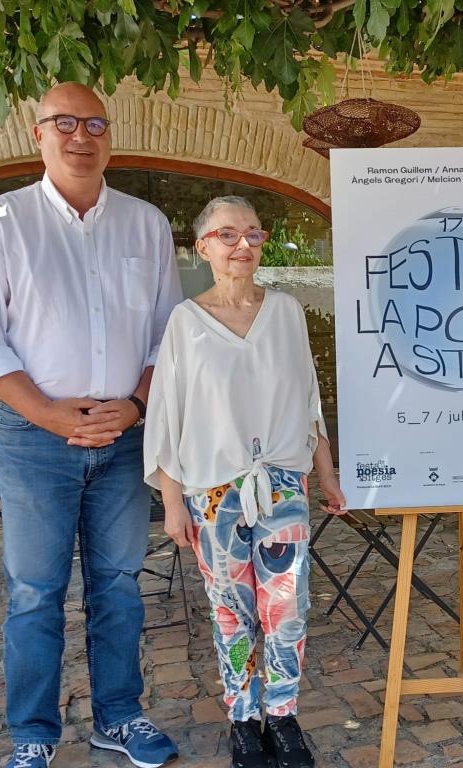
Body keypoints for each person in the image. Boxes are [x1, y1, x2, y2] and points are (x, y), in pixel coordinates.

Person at [0, 82, 183, 768]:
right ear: (38, 134)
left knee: (118, 584)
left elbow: (167, 336)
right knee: (34, 591)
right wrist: (48, 412)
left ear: (108, 135)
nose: (80, 136)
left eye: (94, 124)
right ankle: (33, 732)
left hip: (123, 434)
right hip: (33, 438)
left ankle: (119, 717)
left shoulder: (146, 224)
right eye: (64, 123)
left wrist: (138, 406)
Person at [144, 195, 346, 768]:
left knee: (288, 608)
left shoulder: (286, 312)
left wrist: (326, 474)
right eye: (227, 235)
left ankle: (281, 717)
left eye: (253, 234)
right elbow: (166, 418)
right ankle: (242, 719)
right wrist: (172, 502)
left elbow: (309, 401)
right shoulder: (185, 323)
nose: (242, 246)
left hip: (283, 485)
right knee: (231, 609)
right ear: (203, 246)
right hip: (213, 491)